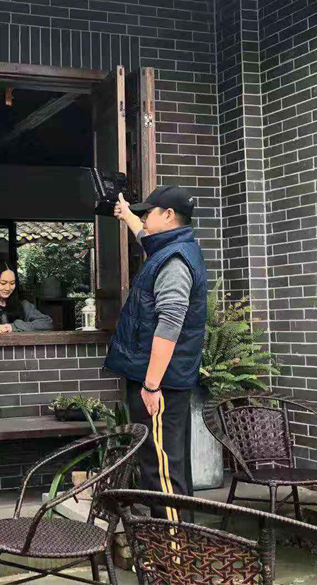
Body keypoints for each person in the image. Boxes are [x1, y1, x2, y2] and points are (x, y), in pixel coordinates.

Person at [105, 185, 207, 521]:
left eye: (148, 213)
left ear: (169, 215)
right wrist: (127, 216)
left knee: (161, 471)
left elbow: (170, 324)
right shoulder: (173, 248)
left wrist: (151, 385)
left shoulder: (174, 261)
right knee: (167, 465)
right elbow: (145, 237)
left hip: (160, 384)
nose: (144, 219)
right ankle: (181, 542)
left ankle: (174, 549)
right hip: (165, 379)